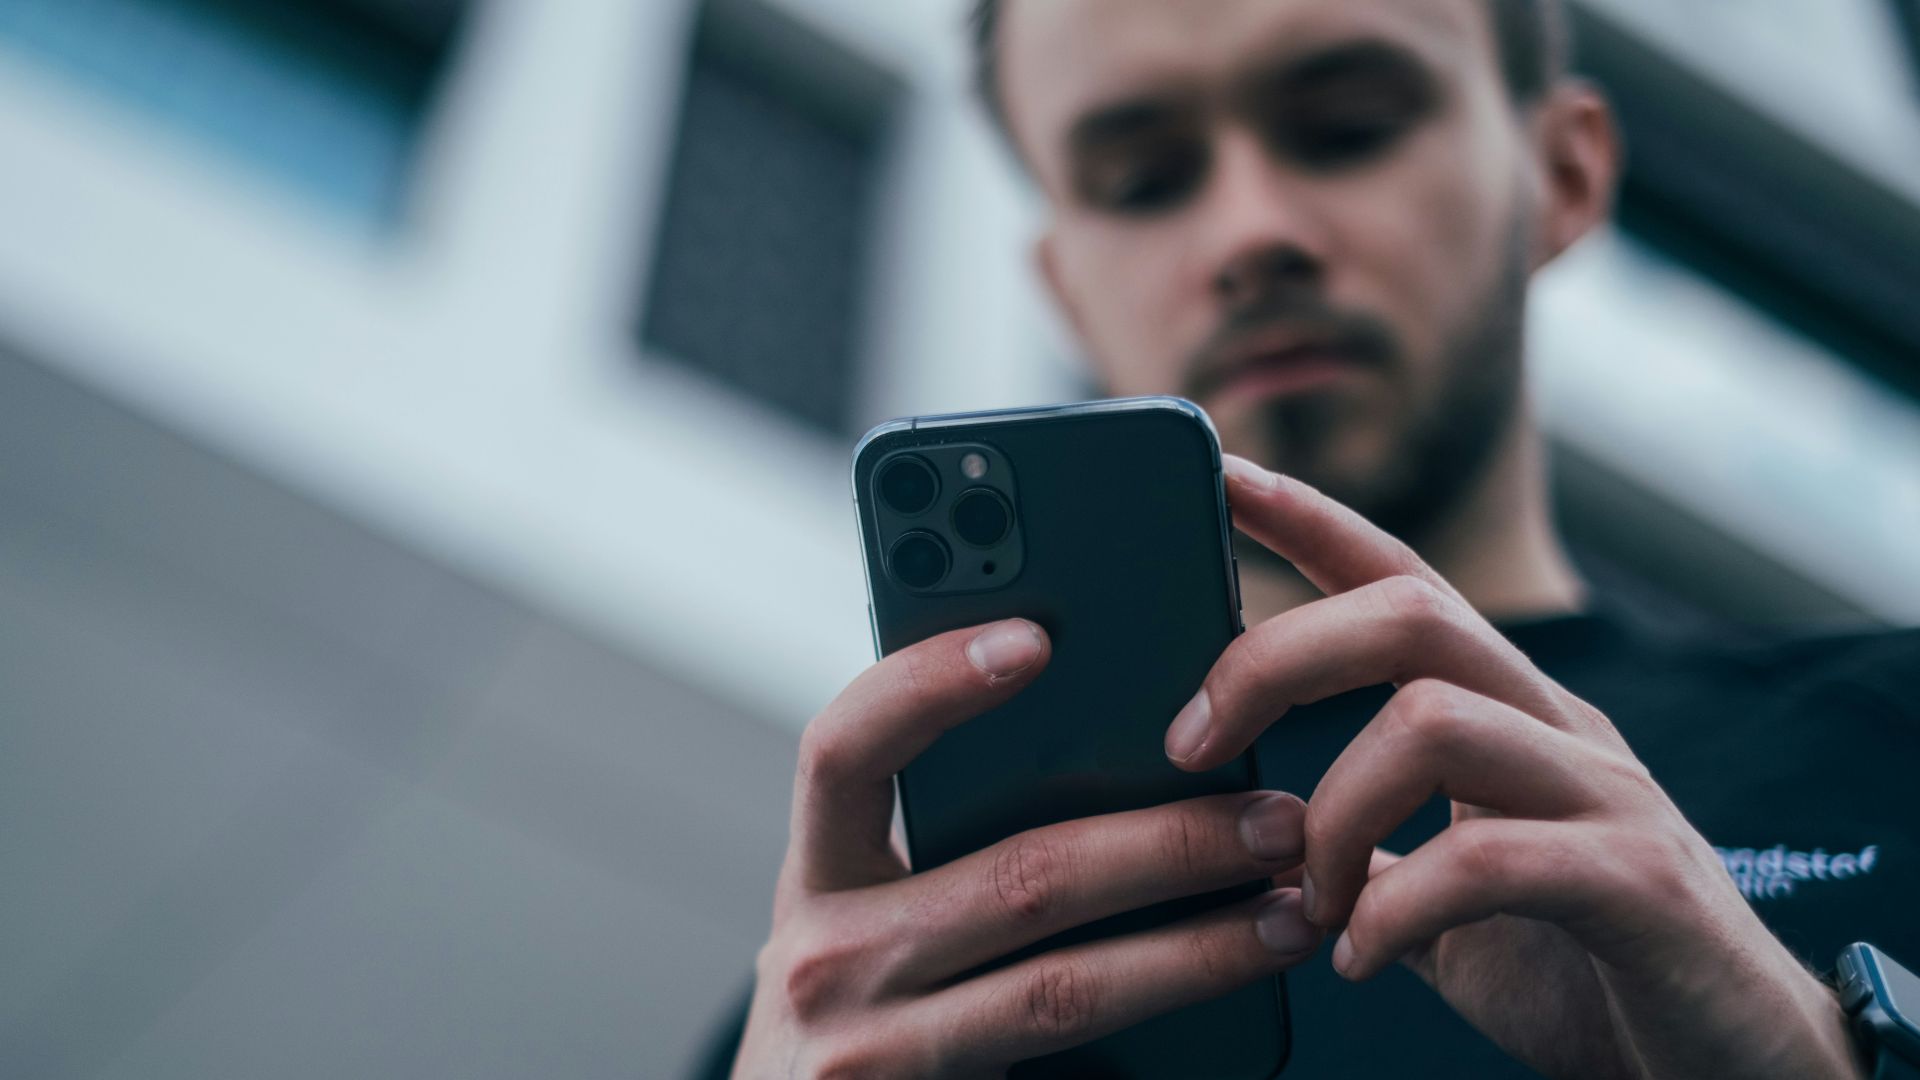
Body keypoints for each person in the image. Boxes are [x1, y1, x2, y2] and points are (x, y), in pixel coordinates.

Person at [705, 0, 1920, 1075]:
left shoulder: (1894, 733)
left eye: (1348, 128)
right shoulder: (860, 994)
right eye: (1142, 180)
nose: (1251, 232)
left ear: (1560, 173)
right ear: (1067, 289)